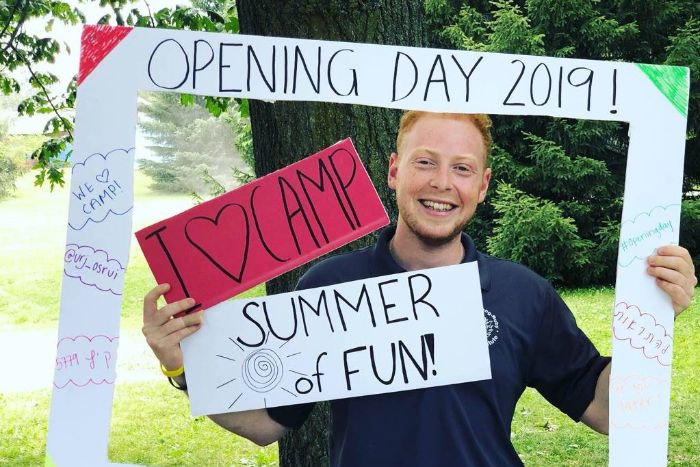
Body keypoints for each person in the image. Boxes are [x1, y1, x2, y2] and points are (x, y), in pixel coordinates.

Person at [142, 111, 697, 465]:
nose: (441, 183)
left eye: (461, 168)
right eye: (425, 162)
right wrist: (184, 367)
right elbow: (266, 423)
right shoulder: (328, 286)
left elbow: (606, 410)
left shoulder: (522, 294)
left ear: (481, 186)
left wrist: (654, 317)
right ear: (394, 171)